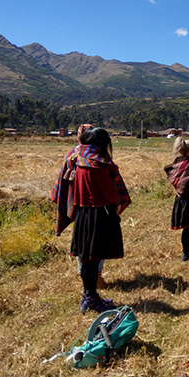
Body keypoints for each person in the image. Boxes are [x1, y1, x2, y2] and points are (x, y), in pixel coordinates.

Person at [52, 127, 131, 312]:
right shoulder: (99, 164)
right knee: (92, 259)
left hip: (82, 214)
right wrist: (117, 200)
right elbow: (111, 195)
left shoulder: (76, 159)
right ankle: (90, 298)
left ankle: (89, 297)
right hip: (99, 215)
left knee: (87, 258)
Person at [51, 123, 108, 290]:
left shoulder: (72, 154)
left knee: (83, 242)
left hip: (77, 204)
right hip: (93, 205)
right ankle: (94, 277)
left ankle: (88, 276)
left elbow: (62, 178)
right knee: (95, 243)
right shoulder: (96, 155)